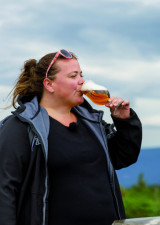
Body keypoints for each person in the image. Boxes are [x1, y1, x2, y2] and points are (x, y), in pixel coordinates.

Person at [0, 49, 142, 225]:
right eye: (73, 76)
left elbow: (124, 157)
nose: (82, 81)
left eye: (81, 75)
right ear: (49, 84)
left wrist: (125, 122)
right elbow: (4, 189)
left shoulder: (92, 122)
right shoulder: (21, 127)